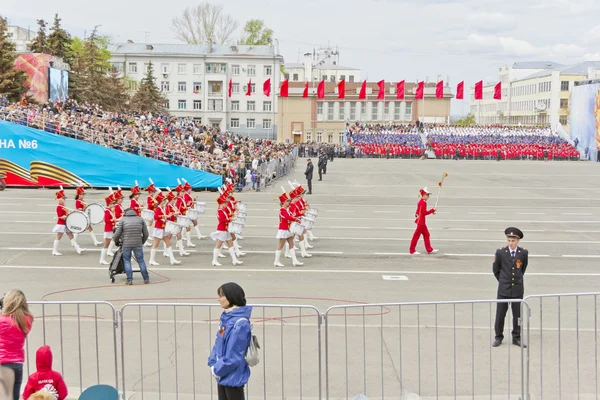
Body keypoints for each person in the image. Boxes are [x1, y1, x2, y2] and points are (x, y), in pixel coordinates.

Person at [208, 282, 252, 400]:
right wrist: (213, 363)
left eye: (222, 296)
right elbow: (218, 343)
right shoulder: (227, 318)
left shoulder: (240, 323)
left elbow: (234, 355)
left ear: (231, 297)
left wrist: (217, 369)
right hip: (222, 373)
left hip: (232, 375)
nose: (218, 299)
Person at [493, 227, 528, 348]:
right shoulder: (501, 252)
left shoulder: (523, 253)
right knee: (500, 315)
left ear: (518, 241)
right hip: (504, 289)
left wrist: (515, 281)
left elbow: (522, 269)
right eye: (509, 240)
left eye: (513, 241)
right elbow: (496, 270)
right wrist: (504, 281)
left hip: (517, 289)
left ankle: (516, 337)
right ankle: (498, 337)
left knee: (517, 316)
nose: (511, 243)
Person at [0, 289, 34, 400]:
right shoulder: (26, 320)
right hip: (17, 363)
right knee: (14, 396)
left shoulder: (2, 320)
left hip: (3, 363)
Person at [113, 208, 151, 285]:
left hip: (126, 244)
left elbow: (116, 234)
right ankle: (146, 278)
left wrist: (117, 242)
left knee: (127, 261)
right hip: (138, 244)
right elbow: (146, 234)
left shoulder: (123, 220)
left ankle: (129, 280)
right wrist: (141, 242)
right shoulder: (140, 219)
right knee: (141, 260)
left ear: (125, 213)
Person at [210, 193, 243, 267]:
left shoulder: (223, 210)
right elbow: (222, 220)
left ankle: (234, 260)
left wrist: (233, 215)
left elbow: (227, 216)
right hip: (222, 229)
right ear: (221, 203)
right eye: (225, 202)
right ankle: (214, 260)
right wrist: (230, 219)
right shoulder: (220, 211)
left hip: (226, 229)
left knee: (230, 244)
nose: (227, 203)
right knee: (218, 245)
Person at [51, 187, 86, 256]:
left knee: (71, 235)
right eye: (63, 198)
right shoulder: (59, 207)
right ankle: (54, 250)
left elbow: (66, 214)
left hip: (65, 223)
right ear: (59, 199)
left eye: (64, 198)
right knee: (58, 237)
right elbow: (60, 217)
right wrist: (63, 217)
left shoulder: (63, 206)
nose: (64, 200)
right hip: (61, 224)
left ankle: (78, 249)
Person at [273, 191, 303, 267]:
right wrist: (295, 219)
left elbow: (291, 216)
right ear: (283, 202)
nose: (288, 202)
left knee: (291, 244)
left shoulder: (286, 209)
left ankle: (295, 260)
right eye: (287, 201)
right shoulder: (282, 210)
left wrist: (296, 218)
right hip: (283, 229)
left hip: (288, 229)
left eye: (289, 201)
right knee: (280, 245)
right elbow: (287, 217)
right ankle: (276, 261)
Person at [409, 187, 438, 255]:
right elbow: (424, 213)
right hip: (421, 223)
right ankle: (412, 250)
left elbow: (417, 211)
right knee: (416, 236)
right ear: (424, 195)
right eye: (427, 195)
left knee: (426, 234)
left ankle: (429, 249)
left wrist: (417, 215)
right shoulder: (423, 203)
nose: (428, 196)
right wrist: (432, 210)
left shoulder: (421, 202)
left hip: (421, 222)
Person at [99, 193, 116, 265]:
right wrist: (113, 220)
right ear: (109, 204)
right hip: (108, 229)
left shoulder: (110, 211)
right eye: (112, 203)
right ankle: (102, 259)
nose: (114, 205)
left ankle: (102, 259)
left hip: (110, 229)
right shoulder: (107, 211)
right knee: (106, 245)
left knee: (108, 244)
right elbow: (106, 220)